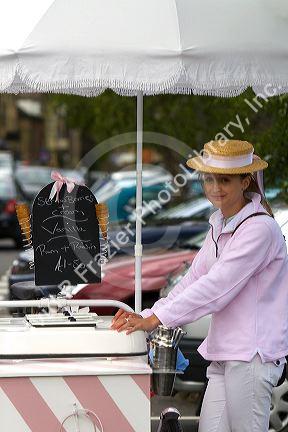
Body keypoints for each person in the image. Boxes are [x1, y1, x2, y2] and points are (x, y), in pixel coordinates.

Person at [111, 139, 288, 432]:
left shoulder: (260, 228)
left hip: (251, 356)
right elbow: (194, 279)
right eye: (209, 179)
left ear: (246, 181)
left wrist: (157, 318)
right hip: (225, 352)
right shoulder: (220, 223)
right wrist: (149, 314)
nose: (215, 187)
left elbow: (218, 286)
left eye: (225, 180)